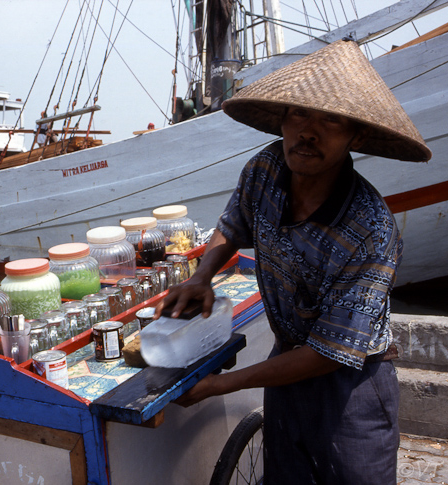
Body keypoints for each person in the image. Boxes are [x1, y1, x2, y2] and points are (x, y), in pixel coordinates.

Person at [156, 39, 431, 484]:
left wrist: (224, 384)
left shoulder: (370, 229)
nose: (308, 131)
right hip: (287, 362)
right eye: (299, 114)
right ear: (282, 119)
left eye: (331, 120)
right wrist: (203, 274)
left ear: (356, 135)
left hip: (352, 384)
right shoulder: (265, 169)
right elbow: (234, 221)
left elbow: (331, 353)